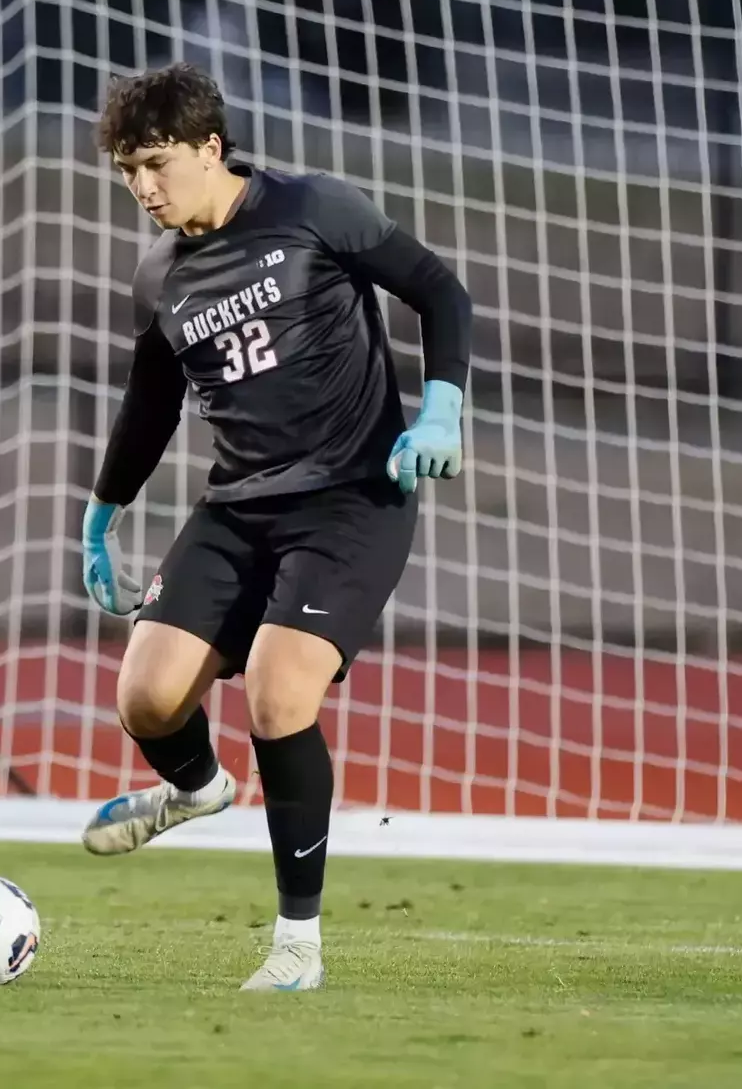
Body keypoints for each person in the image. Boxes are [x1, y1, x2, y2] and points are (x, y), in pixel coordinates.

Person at [78, 62, 472, 992]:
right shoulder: (160, 274)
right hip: (240, 500)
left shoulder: (314, 209)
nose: (142, 187)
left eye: (155, 163)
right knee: (144, 700)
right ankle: (194, 789)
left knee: (276, 691)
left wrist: (442, 408)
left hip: (350, 496)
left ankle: (297, 944)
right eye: (126, 170)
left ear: (210, 148)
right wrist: (102, 513)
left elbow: (439, 291)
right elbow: (150, 401)